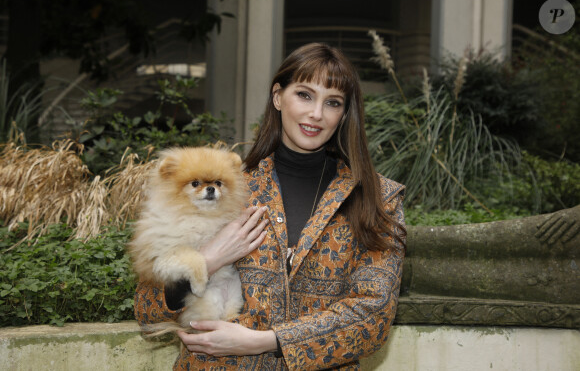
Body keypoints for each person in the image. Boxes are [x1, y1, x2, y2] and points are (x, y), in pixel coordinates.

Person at [134, 43, 407, 370]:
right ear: (278, 97)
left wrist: (267, 341)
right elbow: (148, 314)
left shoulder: (378, 198)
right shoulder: (229, 187)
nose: (316, 114)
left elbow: (373, 318)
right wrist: (207, 261)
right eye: (304, 95)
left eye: (332, 102)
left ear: (344, 113)